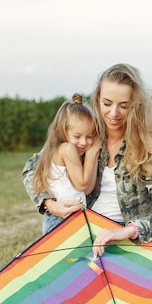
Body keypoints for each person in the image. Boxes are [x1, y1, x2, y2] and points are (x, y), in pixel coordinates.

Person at [22, 63, 152, 256]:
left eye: (124, 106)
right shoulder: (87, 136)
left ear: (135, 106)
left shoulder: (145, 148)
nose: (113, 113)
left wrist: (128, 231)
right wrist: (50, 205)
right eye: (107, 103)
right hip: (84, 231)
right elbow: (32, 167)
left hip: (128, 240)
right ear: (97, 99)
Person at [30, 93, 100, 234]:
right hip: (60, 220)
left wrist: (92, 155)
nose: (84, 142)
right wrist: (92, 154)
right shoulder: (66, 149)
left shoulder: (70, 150)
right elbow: (82, 184)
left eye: (89, 137)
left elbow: (86, 190)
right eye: (77, 136)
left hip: (75, 216)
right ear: (63, 131)